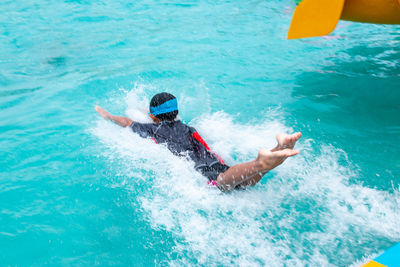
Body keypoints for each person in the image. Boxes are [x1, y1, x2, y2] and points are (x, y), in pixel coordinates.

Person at [95, 92, 301, 192]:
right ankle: (280, 147)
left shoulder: (151, 128)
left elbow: (127, 122)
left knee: (223, 183)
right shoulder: (187, 127)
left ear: (153, 117)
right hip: (213, 161)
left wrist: (108, 116)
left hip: (204, 170)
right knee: (247, 181)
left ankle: (260, 161)